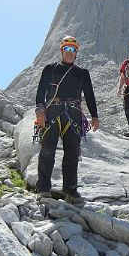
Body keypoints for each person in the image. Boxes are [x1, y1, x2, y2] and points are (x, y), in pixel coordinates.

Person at [35, 35, 99, 202]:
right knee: (47, 150)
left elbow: (90, 95)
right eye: (67, 49)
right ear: (61, 50)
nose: (69, 52)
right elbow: (41, 91)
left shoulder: (82, 73)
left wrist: (95, 116)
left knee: (72, 153)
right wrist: (40, 111)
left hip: (74, 112)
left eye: (73, 50)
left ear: (76, 53)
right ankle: (43, 188)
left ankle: (70, 190)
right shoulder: (50, 69)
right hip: (52, 111)